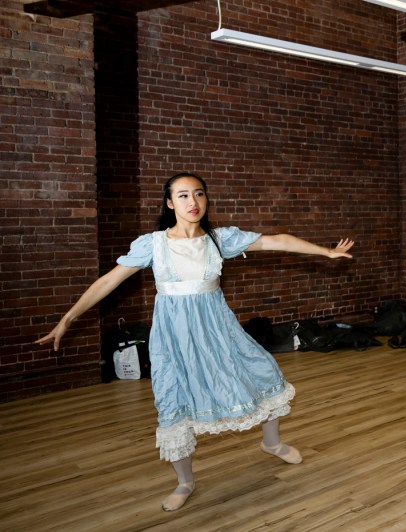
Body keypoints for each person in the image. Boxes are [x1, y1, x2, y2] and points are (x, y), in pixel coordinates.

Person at [35, 172, 354, 512]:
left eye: (199, 194)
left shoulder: (220, 239)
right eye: (183, 196)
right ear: (170, 203)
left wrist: (326, 252)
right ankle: (185, 482)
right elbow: (108, 281)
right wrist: (67, 319)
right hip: (174, 338)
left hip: (219, 329)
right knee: (174, 400)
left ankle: (272, 443)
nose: (193, 202)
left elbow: (278, 240)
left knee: (263, 373)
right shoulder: (153, 245)